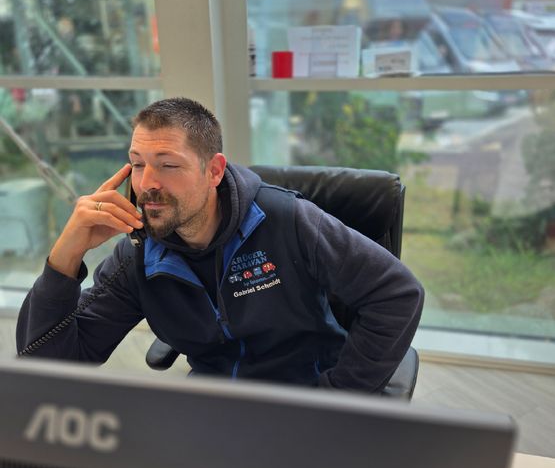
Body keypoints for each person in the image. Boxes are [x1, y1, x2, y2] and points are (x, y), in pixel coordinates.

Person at [17, 97, 424, 392]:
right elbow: (48, 368)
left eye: (168, 165)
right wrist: (65, 257)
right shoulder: (139, 254)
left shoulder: (289, 221)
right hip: (217, 409)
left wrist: (339, 398)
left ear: (213, 171)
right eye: (138, 164)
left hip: (307, 397)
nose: (147, 184)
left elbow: (397, 294)